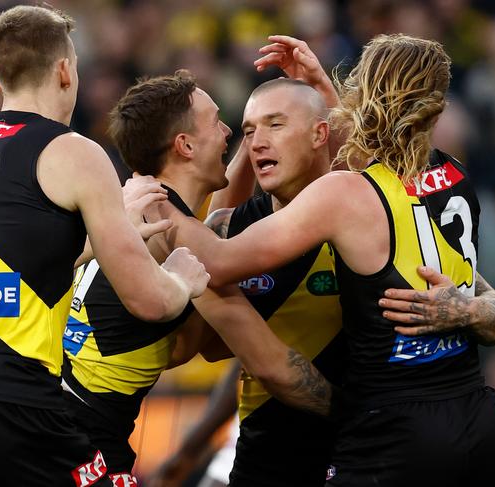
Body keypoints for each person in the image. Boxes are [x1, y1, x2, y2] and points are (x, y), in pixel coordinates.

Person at [157, 34, 495, 486]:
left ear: (361, 98)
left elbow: (218, 261)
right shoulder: (453, 175)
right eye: (250, 130)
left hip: (391, 426)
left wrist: (155, 197)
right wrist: (475, 308)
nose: (257, 142)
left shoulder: (343, 195)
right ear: (438, 108)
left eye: (275, 125)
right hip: (476, 413)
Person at [0, 6, 209, 487]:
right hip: (16, 405)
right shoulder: (73, 150)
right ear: (66, 71)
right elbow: (149, 300)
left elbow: (13, 266)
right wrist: (182, 279)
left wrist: (101, 241)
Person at [61, 71, 340, 484]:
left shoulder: (145, 206)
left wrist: (256, 135)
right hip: (79, 431)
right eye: (217, 121)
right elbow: (274, 367)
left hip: (75, 420)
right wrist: (372, 416)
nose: (231, 132)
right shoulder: (169, 228)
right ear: (185, 145)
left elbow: (190, 347)